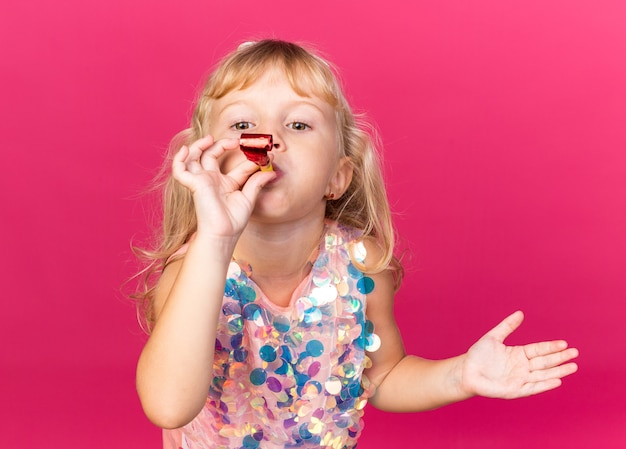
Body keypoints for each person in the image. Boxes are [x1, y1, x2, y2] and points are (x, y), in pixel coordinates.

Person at [134, 39, 579, 449]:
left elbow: (382, 375)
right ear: (207, 158)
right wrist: (216, 238)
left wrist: (460, 374)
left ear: (338, 177)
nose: (266, 141)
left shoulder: (360, 267)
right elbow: (169, 407)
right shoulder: (192, 271)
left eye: (299, 123)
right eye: (243, 123)